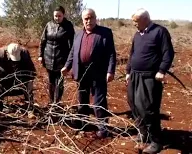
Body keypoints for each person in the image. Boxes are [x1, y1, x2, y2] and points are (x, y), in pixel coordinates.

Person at [61, 8, 116, 138]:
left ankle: (103, 129)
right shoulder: (78, 34)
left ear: (95, 18)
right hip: (81, 72)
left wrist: (110, 70)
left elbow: (111, 54)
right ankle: (84, 123)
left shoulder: (105, 33)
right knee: (82, 100)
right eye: (86, 18)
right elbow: (73, 52)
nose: (88, 20)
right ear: (82, 20)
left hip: (98, 72)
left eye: (91, 17)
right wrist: (67, 66)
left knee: (99, 102)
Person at [126, 8, 174, 153]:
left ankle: (156, 141)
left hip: (150, 77)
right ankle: (143, 133)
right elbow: (132, 53)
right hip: (134, 75)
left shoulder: (160, 32)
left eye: (136, 21)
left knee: (147, 109)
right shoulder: (137, 34)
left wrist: (162, 70)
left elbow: (168, 53)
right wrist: (128, 71)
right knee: (133, 104)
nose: (134, 24)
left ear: (145, 19)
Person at [38, 6, 75, 106]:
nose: (57, 18)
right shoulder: (49, 25)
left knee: (60, 82)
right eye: (55, 16)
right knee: (51, 81)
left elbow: (72, 45)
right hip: (48, 58)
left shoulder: (68, 26)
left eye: (59, 16)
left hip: (62, 59)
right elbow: (42, 41)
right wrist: (40, 55)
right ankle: (51, 101)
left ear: (63, 15)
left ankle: (57, 102)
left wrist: (70, 62)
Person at [0, 43, 36, 112]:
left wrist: (29, 80)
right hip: (4, 77)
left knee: (28, 86)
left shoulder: (24, 53)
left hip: (20, 77)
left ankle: (30, 109)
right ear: (8, 53)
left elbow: (31, 69)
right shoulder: (0, 53)